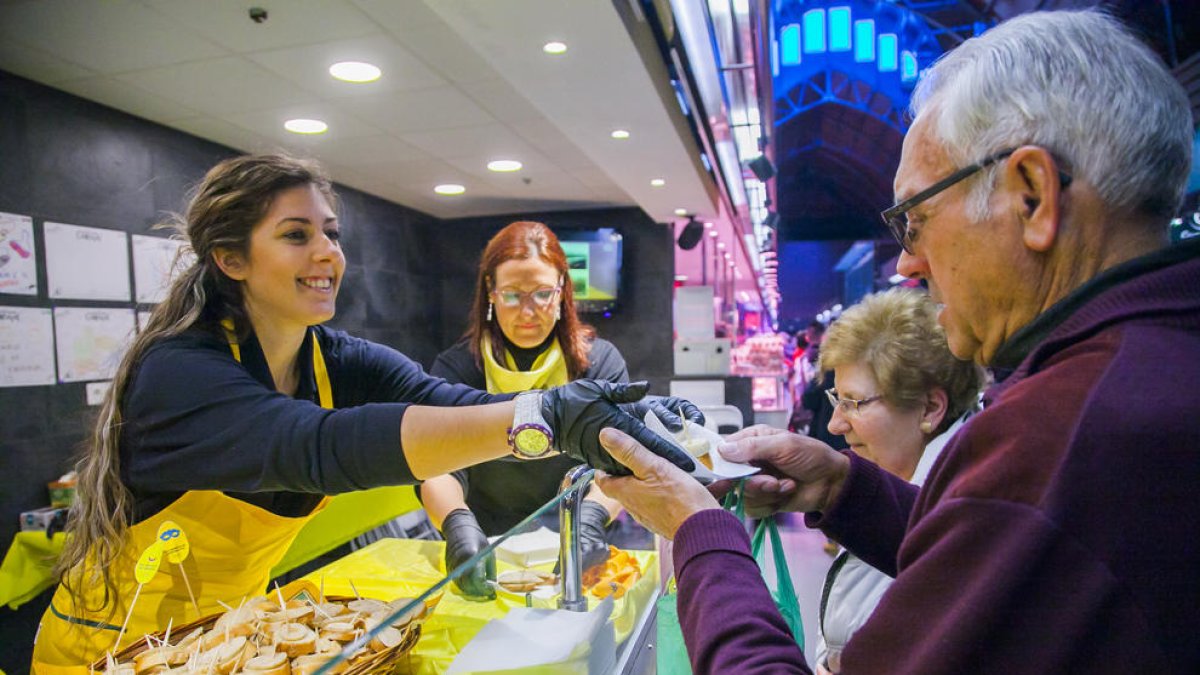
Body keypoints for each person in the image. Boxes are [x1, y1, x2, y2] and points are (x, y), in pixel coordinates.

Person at [596, 10, 1200, 673]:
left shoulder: (1063, 434)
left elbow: (1019, 515)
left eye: (915, 219)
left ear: (1031, 196)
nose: (906, 265)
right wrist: (839, 489)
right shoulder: (1152, 365)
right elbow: (993, 556)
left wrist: (698, 532)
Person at [32, 154, 700, 670]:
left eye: (330, 233)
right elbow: (322, 445)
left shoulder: (332, 357)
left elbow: (449, 403)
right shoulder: (178, 371)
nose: (328, 254)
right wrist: (546, 417)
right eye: (297, 235)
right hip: (116, 652)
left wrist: (586, 410)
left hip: (232, 637)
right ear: (231, 257)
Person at [420, 221, 629, 599]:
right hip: (487, 545)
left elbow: (620, 459)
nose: (528, 312)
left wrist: (592, 520)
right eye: (513, 295)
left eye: (543, 293)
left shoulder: (599, 364)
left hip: (575, 540)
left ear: (563, 289)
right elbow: (437, 465)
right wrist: (457, 524)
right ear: (490, 291)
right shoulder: (458, 369)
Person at [812, 288, 984, 674]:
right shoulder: (900, 484)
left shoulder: (965, 505)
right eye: (835, 398)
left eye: (853, 402)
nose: (835, 424)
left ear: (930, 407)